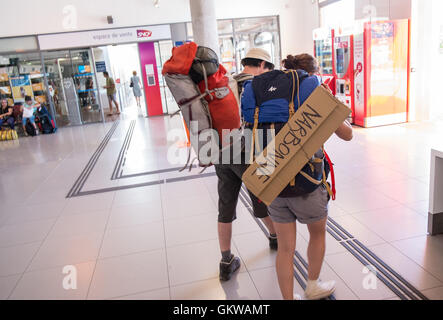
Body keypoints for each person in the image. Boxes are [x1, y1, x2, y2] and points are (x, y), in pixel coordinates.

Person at [265, 54, 353, 300]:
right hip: (308, 183)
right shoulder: (316, 95)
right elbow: (347, 134)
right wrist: (331, 100)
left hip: (273, 181)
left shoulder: (271, 96)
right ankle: (312, 286)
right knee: (317, 233)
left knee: (285, 249)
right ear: (312, 75)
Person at [216, 48, 278, 282]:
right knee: (261, 197)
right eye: (268, 68)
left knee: (225, 206)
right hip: (247, 151)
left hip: (220, 150)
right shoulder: (258, 86)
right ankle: (275, 237)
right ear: (262, 64)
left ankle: (225, 260)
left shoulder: (226, 82)